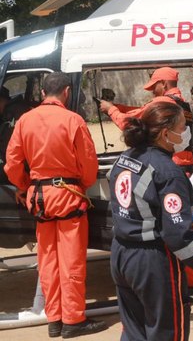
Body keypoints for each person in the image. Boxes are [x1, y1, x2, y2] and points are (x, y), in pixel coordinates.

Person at [108, 102, 193, 340]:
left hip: (121, 253)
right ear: (166, 134)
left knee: (134, 332)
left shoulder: (126, 158)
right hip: (151, 261)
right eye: (182, 126)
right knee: (166, 333)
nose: (186, 131)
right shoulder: (168, 172)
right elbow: (178, 237)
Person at [4, 73, 107, 338]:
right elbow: (89, 165)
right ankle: (73, 320)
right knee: (71, 259)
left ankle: (55, 319)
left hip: (39, 199)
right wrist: (81, 186)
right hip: (68, 195)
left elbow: (12, 164)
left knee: (48, 260)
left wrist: (25, 186)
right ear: (67, 92)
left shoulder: (25, 120)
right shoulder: (73, 120)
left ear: (41, 94)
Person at [99, 67, 193, 169]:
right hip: (185, 162)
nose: (152, 91)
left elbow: (129, 123)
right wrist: (118, 107)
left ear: (164, 83)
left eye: (154, 86)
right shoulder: (180, 102)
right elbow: (142, 110)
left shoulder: (162, 101)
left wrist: (110, 110)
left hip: (169, 164)